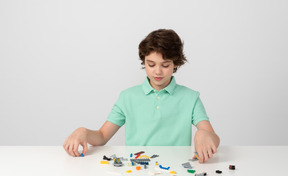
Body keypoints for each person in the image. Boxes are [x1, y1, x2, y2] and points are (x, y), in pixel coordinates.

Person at [63, 29, 220, 163]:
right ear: (144, 62)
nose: (157, 71)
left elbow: (214, 138)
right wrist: (83, 131)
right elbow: (102, 136)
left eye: (165, 65)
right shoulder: (127, 97)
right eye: (151, 64)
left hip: (177, 171)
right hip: (138, 171)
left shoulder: (190, 98)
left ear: (176, 64)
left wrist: (204, 134)